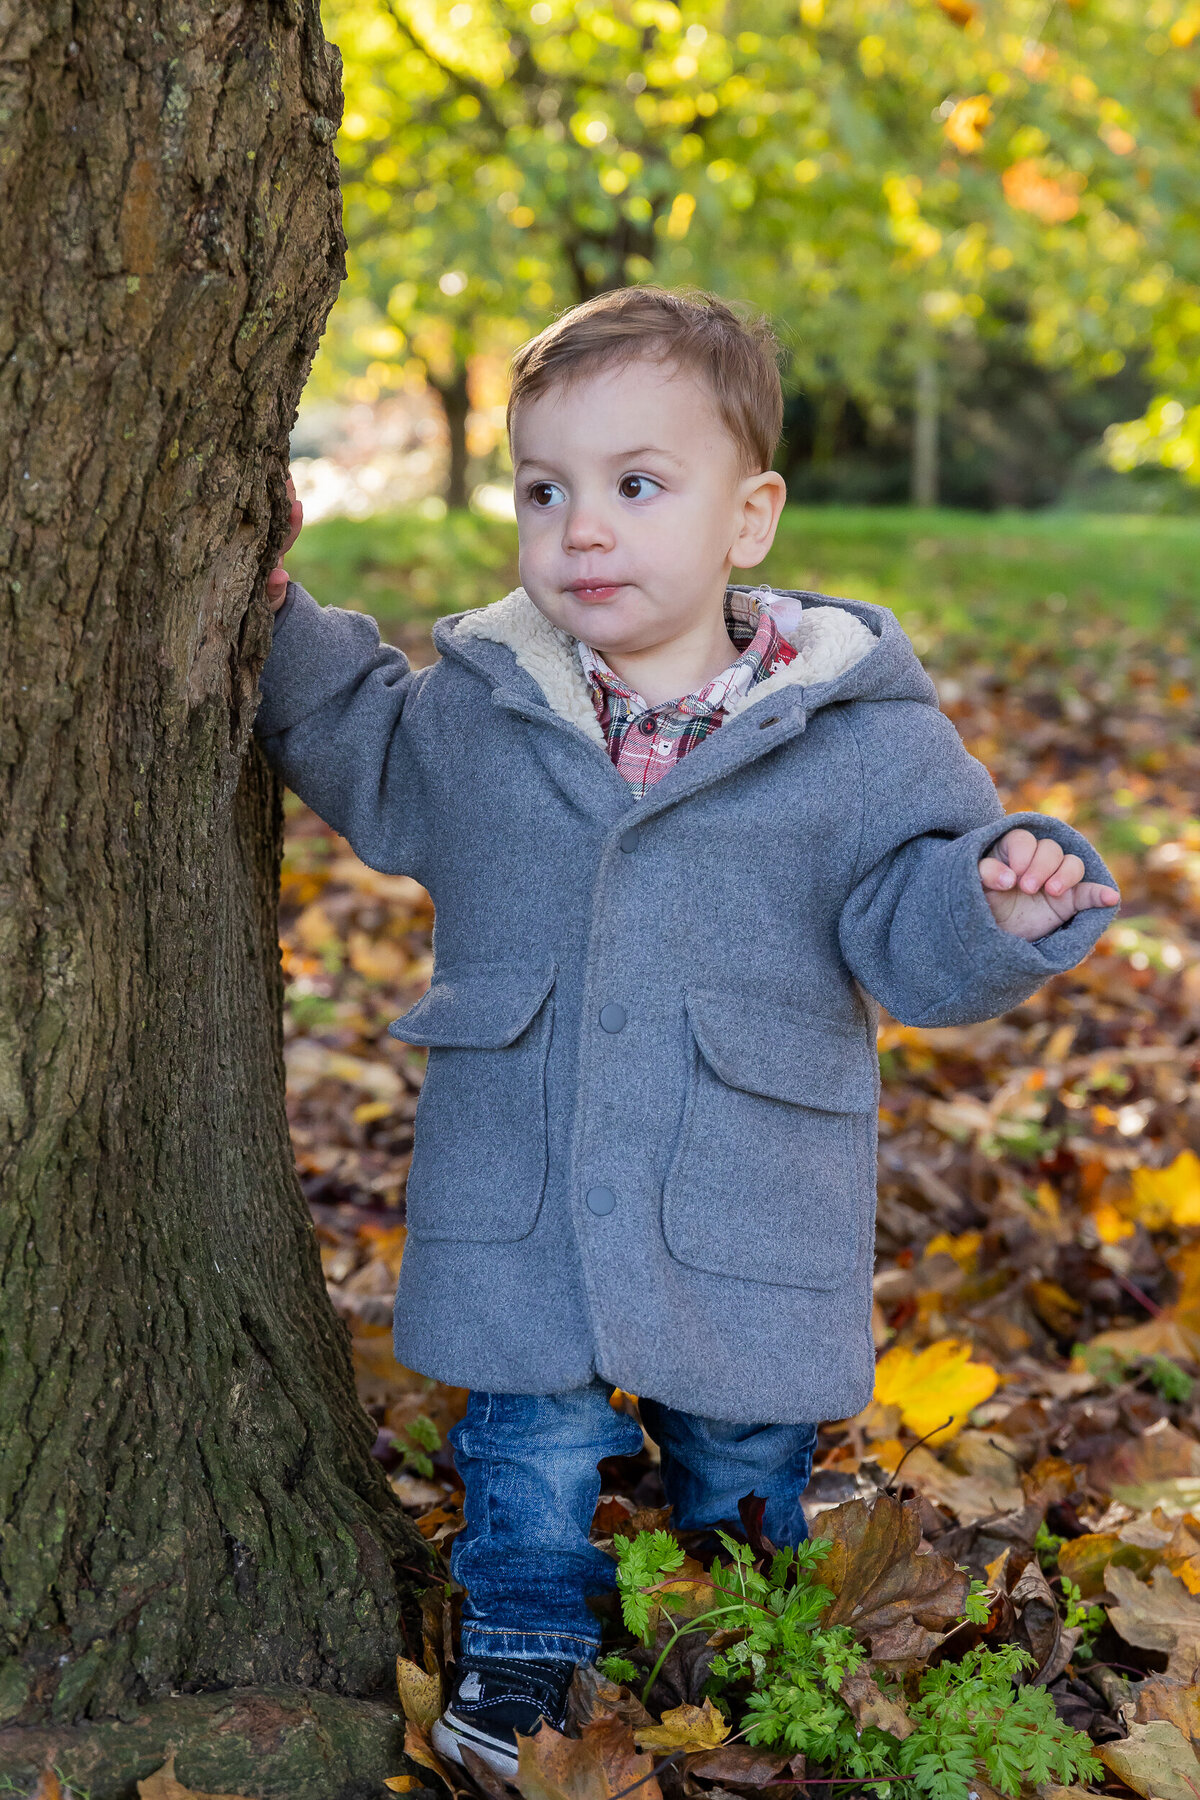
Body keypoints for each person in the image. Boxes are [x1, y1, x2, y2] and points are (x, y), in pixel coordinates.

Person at [256, 286, 1119, 1777]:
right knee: (525, 1441)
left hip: (745, 1176)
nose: (582, 527)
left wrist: (999, 905)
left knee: (743, 1440)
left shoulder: (864, 738)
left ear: (751, 515)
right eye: (546, 490)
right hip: (523, 1168)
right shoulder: (489, 708)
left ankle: (742, 1605)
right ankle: (527, 1642)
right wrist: (271, 611)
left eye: (637, 486)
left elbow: (912, 939)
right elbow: (366, 744)